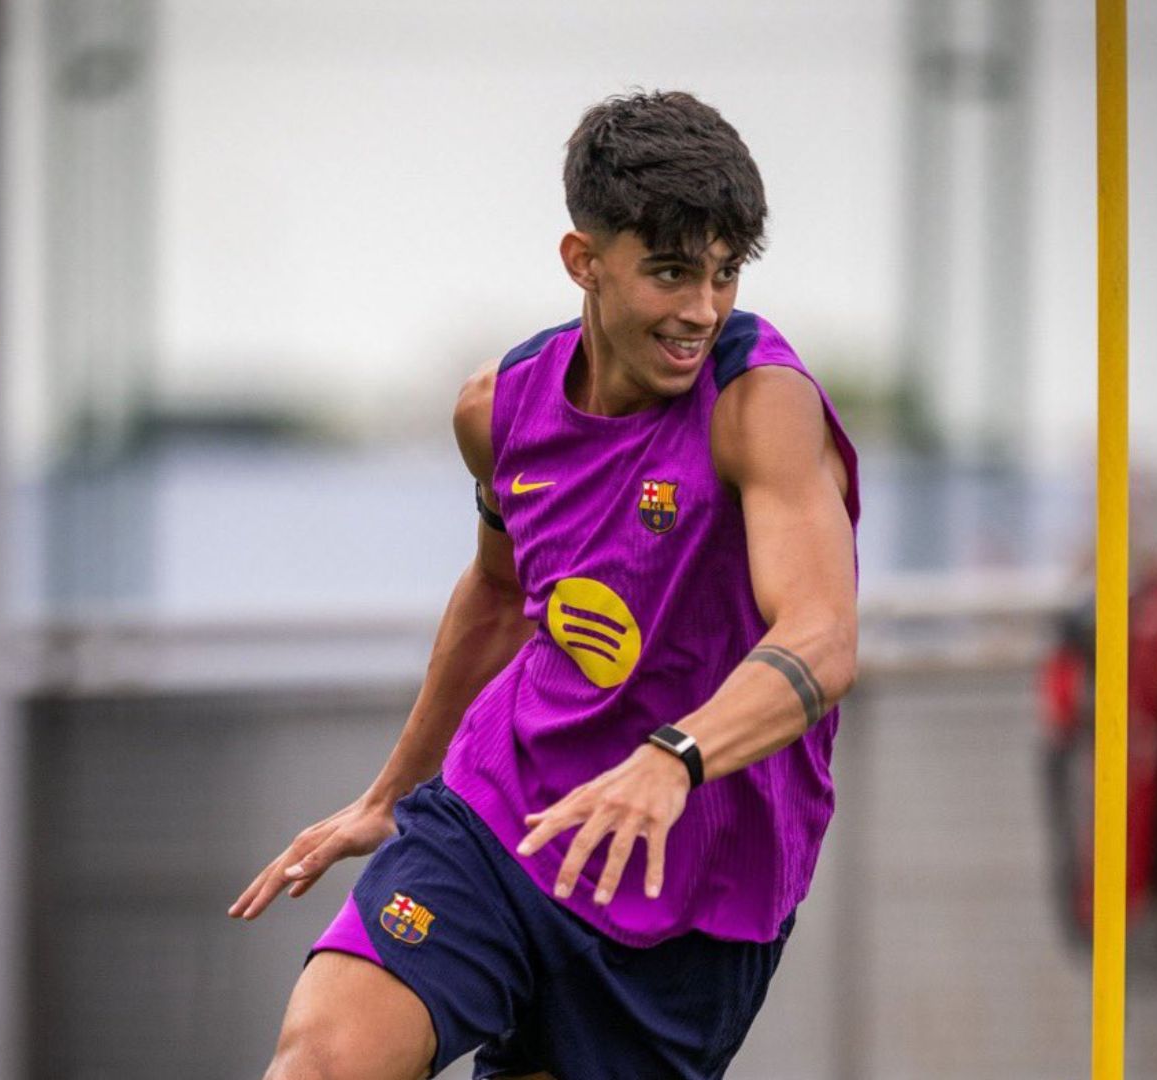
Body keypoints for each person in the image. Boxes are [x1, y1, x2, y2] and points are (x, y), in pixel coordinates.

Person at [229, 89, 862, 1080]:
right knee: (322, 1063)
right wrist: (390, 795)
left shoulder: (759, 404)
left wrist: (671, 759)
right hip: (500, 820)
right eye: (668, 272)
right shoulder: (498, 409)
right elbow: (493, 596)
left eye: (722, 273)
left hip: (691, 888)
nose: (701, 309)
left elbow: (821, 638)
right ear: (582, 261)